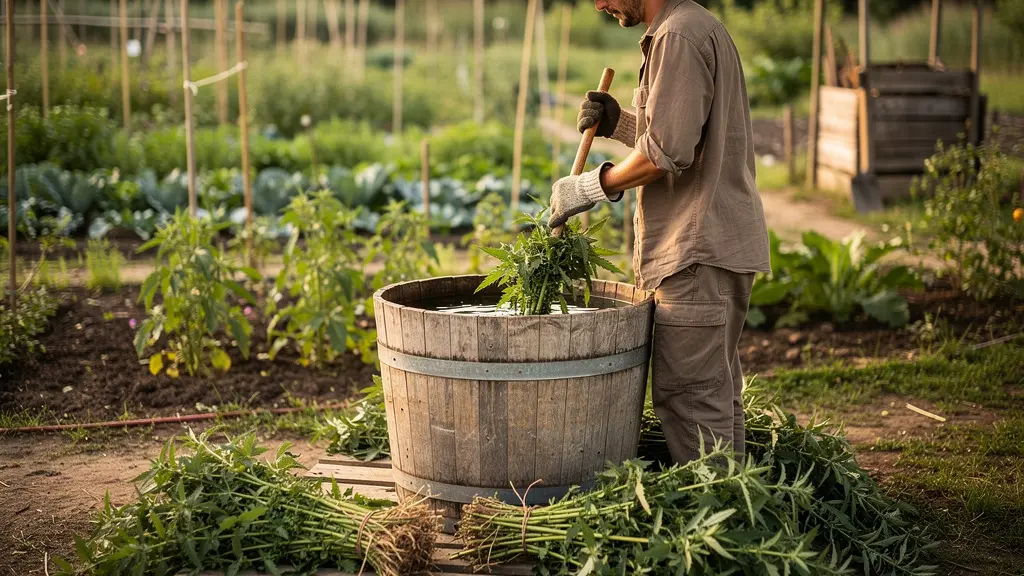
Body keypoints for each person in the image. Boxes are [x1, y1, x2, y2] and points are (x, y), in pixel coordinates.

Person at [547, 0, 770, 465]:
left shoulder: (678, 37)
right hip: (715, 247)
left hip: (694, 252)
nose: (599, 4)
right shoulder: (693, 26)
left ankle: (715, 519)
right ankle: (742, 513)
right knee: (714, 396)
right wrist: (619, 123)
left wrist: (590, 186)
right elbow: (679, 133)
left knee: (690, 402)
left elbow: (666, 152)